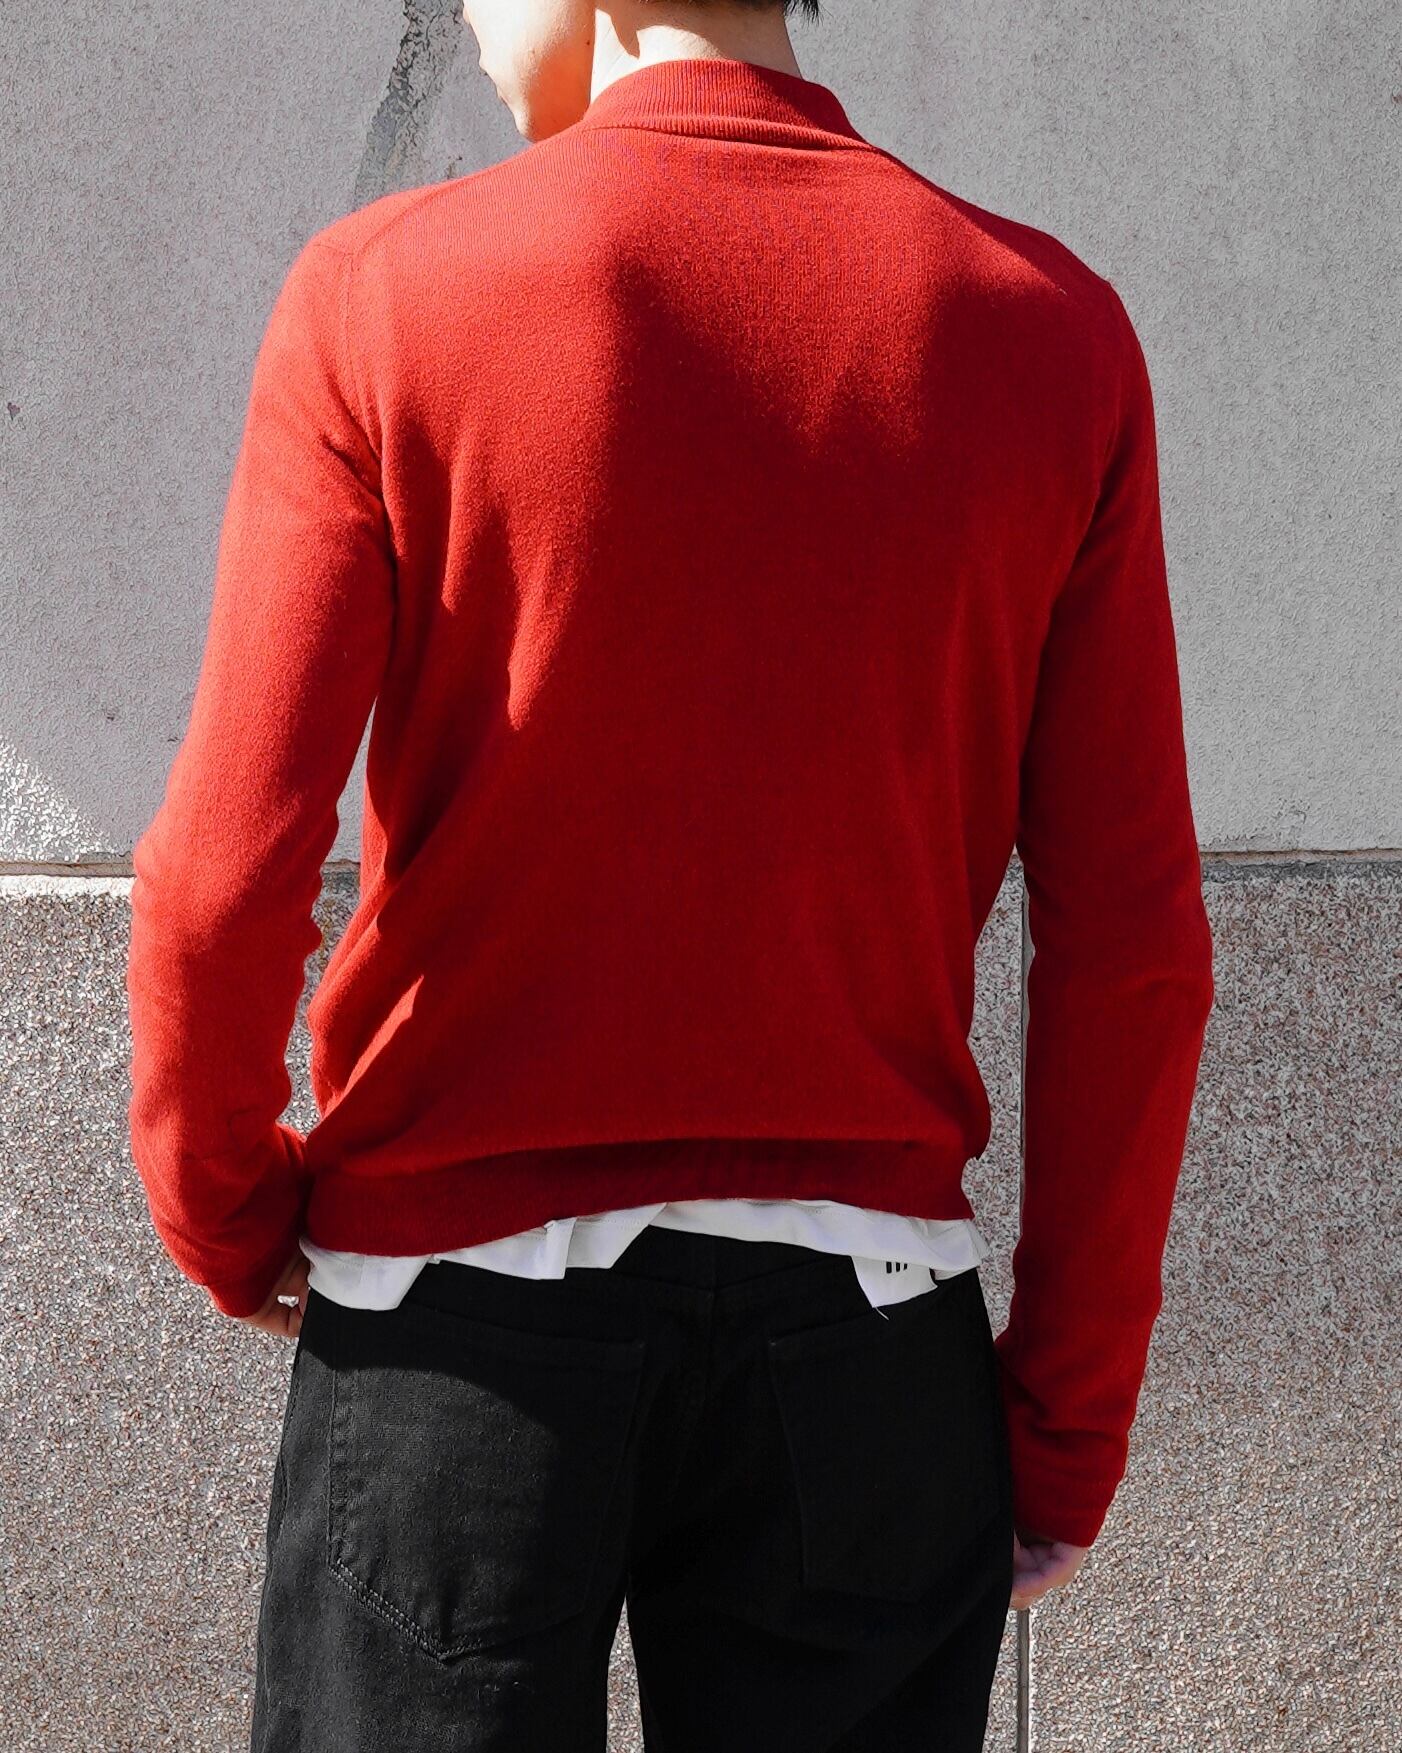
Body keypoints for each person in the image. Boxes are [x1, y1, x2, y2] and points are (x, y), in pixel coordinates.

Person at [124, 1, 1215, 1747]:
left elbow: (220, 872)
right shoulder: (1046, 327)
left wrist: (229, 1212)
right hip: (867, 1347)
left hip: (451, 1335)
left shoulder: (385, 294)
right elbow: (1131, 947)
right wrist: (1064, 1419)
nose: (469, 19)